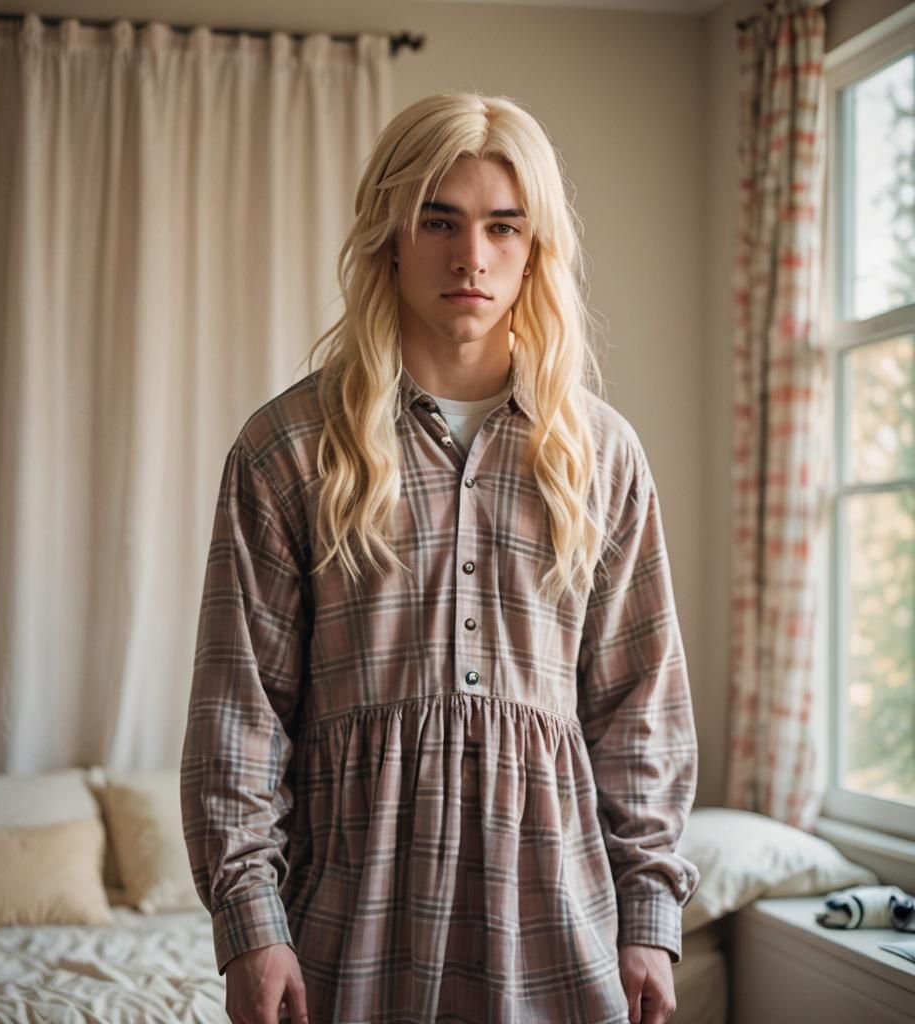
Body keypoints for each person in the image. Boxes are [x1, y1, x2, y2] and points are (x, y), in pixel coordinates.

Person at [181, 92, 700, 1024]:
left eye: (505, 226)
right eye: (440, 220)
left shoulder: (603, 455)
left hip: (560, 935)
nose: (472, 256)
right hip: (344, 934)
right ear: (389, 235)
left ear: (536, 247)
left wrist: (649, 916)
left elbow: (641, 710)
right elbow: (239, 714)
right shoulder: (286, 449)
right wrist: (251, 926)